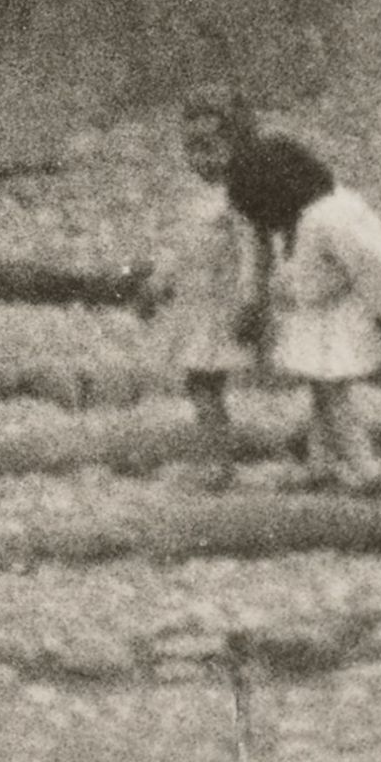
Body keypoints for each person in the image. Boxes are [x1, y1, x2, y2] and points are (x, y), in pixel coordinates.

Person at [226, 132, 381, 496]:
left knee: (333, 398)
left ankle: (370, 475)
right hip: (324, 317)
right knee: (323, 393)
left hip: (346, 318)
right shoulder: (311, 215)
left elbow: (371, 272)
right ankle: (320, 466)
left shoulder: (328, 220)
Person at [134, 95, 265, 491]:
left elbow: (252, 252)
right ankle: (214, 459)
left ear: (236, 144)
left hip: (219, 306)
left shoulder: (241, 196)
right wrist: (160, 280)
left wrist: (250, 299)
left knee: (207, 384)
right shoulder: (196, 197)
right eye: (192, 148)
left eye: (210, 147)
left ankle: (219, 464)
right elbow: (182, 247)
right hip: (195, 304)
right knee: (198, 384)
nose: (200, 159)